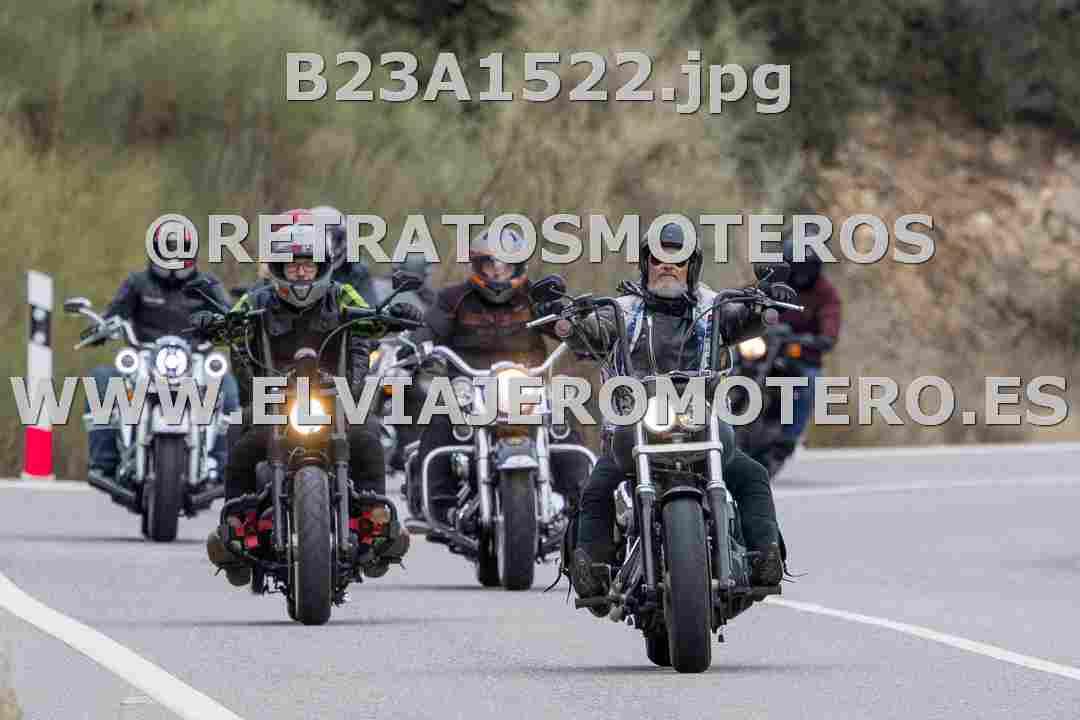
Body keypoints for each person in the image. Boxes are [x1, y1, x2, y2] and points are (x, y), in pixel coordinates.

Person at [542, 223, 793, 602]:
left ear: (692, 264)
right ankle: (591, 569)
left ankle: (764, 559)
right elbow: (589, 330)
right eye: (658, 258)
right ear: (646, 263)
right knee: (596, 486)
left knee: (752, 475)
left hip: (704, 426)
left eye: (677, 258)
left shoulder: (713, 307)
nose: (667, 266)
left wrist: (767, 299)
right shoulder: (622, 311)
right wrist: (560, 316)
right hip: (634, 428)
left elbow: (746, 317)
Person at [201, 223, 423, 586]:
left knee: (367, 434)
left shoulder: (343, 294)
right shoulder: (257, 299)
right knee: (241, 435)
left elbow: (370, 319)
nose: (301, 272)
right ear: (279, 269)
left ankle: (375, 522)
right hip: (275, 398)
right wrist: (213, 323)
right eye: (293, 266)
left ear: (322, 267)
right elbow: (232, 321)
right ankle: (236, 527)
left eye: (308, 265)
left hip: (333, 396)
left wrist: (393, 316)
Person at [403, 226, 591, 526]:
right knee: (440, 418)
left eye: (506, 264)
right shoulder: (454, 298)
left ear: (518, 266)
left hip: (526, 386)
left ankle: (579, 503)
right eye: (490, 263)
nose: (498, 271)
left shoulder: (533, 298)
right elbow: (431, 326)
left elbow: (562, 323)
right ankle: (439, 506)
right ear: (478, 265)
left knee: (562, 421)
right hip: (468, 388)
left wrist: (576, 331)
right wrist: (417, 344)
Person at [85, 224, 240, 489]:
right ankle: (105, 461)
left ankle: (221, 464)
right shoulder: (137, 283)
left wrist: (236, 325)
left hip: (195, 360)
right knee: (101, 379)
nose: (174, 258)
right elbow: (114, 314)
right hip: (146, 359)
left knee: (227, 388)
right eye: (168, 250)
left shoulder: (207, 285)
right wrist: (100, 327)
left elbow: (230, 313)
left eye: (180, 251)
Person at [769, 232, 842, 469]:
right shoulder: (774, 281)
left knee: (810, 381)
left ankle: (789, 437)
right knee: (730, 364)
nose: (800, 274)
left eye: (806, 267)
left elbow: (831, 322)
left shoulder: (826, 293)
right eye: (795, 266)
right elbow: (749, 296)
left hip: (802, 355)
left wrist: (822, 338)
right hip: (767, 349)